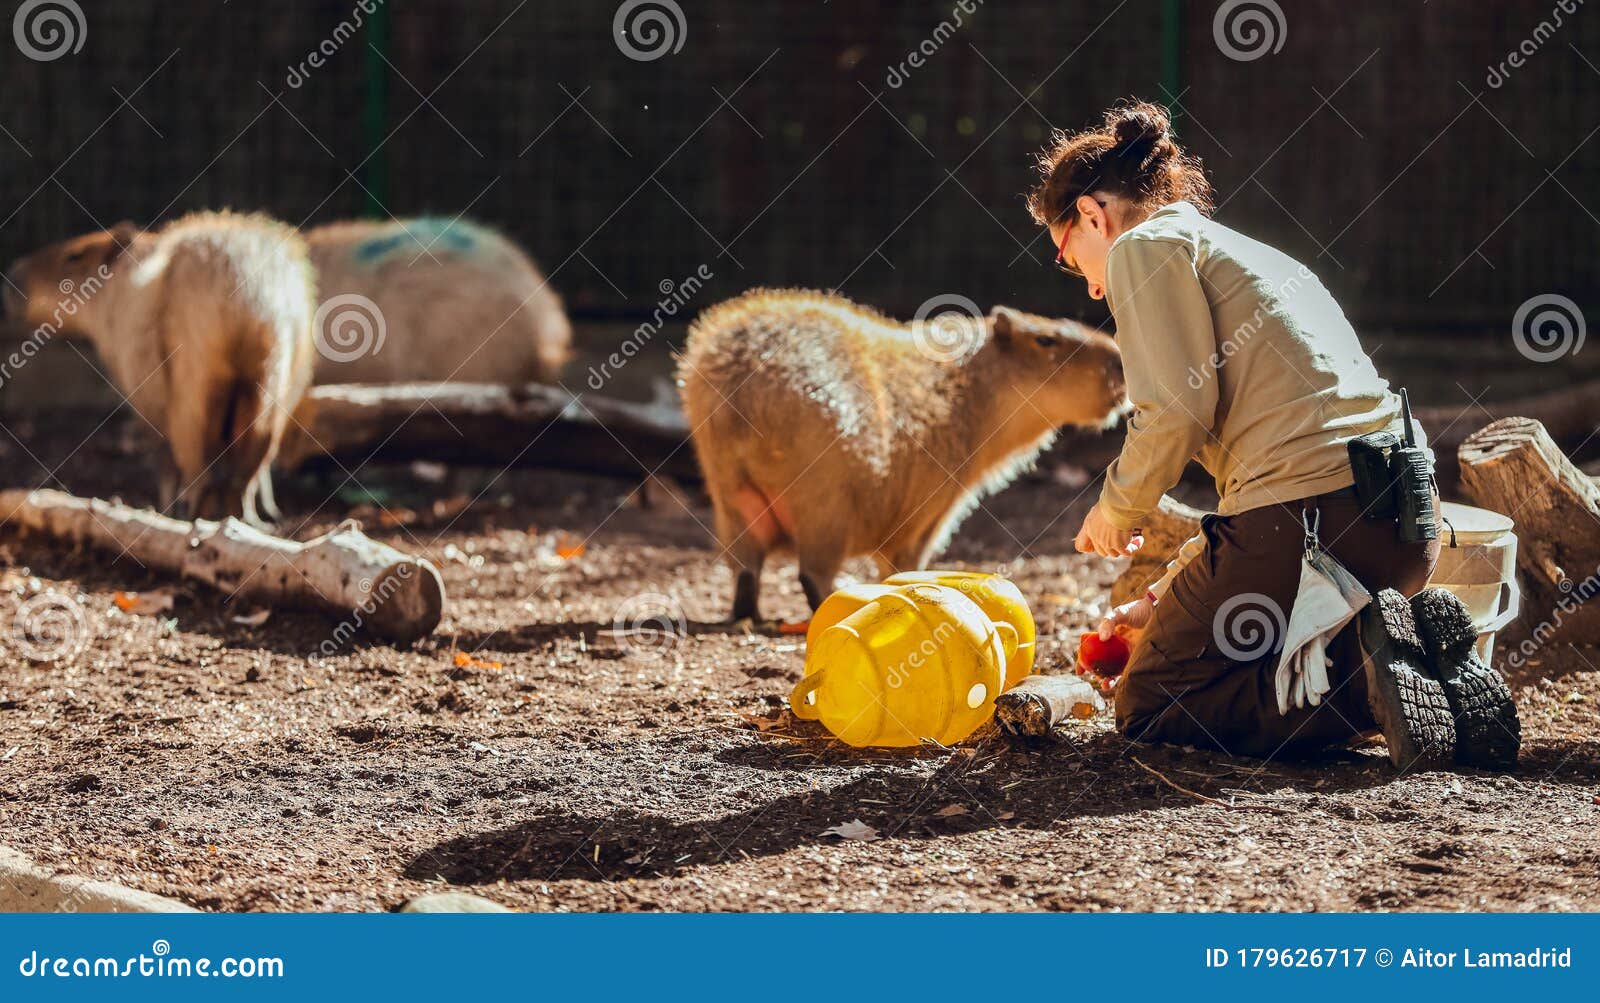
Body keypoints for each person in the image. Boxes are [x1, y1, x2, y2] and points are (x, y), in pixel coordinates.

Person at [1026, 101, 1519, 771]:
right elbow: (1255, 489)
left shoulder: (1142, 247)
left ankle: (1359, 677)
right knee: (1233, 643)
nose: (1087, 284)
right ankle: (1411, 662)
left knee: (1149, 702)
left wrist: (1117, 508)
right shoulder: (1245, 253)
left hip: (1316, 525)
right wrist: (1160, 599)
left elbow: (1176, 408)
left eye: (1068, 255)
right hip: (1403, 525)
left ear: (1092, 215)